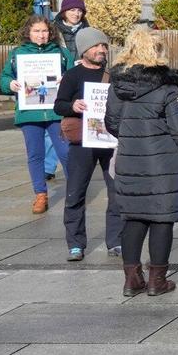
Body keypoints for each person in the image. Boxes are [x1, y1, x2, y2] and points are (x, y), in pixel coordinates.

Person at [103, 27, 178, 298]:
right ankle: (158, 280)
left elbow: (111, 123)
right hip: (162, 166)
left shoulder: (117, 85)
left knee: (133, 219)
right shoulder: (167, 88)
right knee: (161, 220)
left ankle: (131, 280)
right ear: (156, 51)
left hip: (129, 163)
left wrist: (133, 136)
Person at [54, 27, 121, 263]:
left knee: (116, 192)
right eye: (96, 46)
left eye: (103, 46)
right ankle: (75, 243)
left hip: (110, 141)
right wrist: (73, 106)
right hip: (83, 141)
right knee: (75, 192)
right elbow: (58, 105)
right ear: (84, 50)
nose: (101, 50)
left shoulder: (113, 75)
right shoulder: (73, 75)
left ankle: (116, 240)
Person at [1, 14, 72, 214]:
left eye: (44, 31)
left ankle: (74, 191)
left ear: (51, 33)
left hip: (56, 111)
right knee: (35, 154)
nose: (41, 35)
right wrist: (10, 84)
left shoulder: (61, 53)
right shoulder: (17, 54)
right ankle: (40, 194)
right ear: (28, 33)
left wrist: (67, 78)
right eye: (36, 31)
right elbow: (4, 77)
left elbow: (74, 74)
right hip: (29, 113)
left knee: (66, 152)